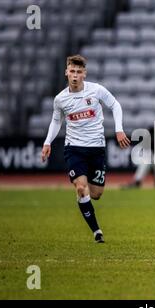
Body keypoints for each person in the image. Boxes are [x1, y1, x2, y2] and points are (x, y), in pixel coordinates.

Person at [40, 55, 131, 243]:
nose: (75, 76)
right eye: (72, 71)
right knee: (82, 187)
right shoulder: (60, 99)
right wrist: (48, 142)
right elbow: (56, 121)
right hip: (74, 148)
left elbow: (115, 105)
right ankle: (97, 231)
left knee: (96, 194)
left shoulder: (96, 90)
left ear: (84, 74)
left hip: (96, 148)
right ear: (66, 72)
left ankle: (83, 197)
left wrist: (119, 130)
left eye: (79, 72)